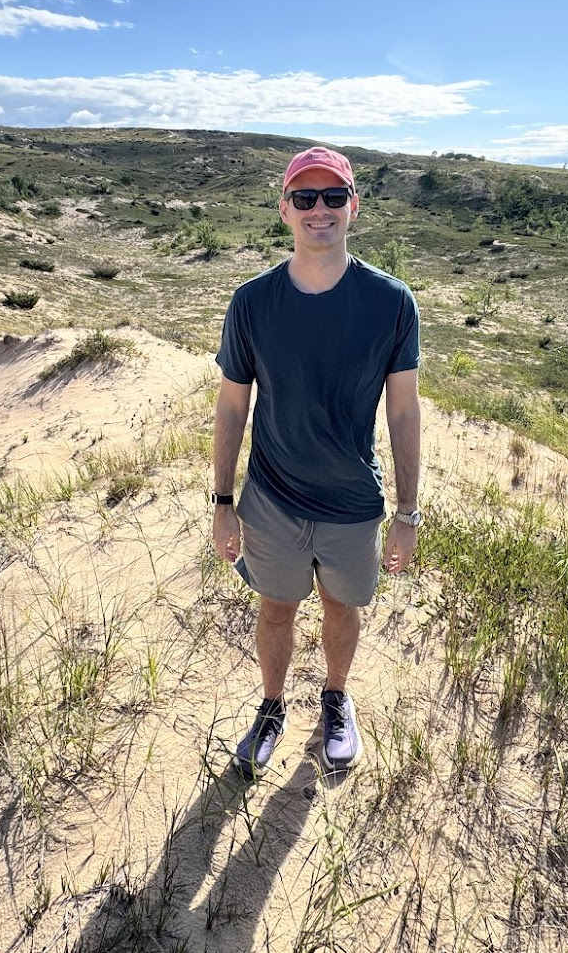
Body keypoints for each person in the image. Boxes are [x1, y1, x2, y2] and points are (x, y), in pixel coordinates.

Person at [211, 145, 422, 777]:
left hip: (353, 503)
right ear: (285, 211)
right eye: (305, 198)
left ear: (353, 207)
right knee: (275, 607)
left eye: (333, 197)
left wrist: (407, 512)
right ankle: (272, 707)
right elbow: (231, 407)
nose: (319, 210)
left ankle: (336, 698)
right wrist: (223, 502)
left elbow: (405, 412)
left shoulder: (391, 302)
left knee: (341, 606)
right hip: (271, 499)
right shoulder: (252, 303)